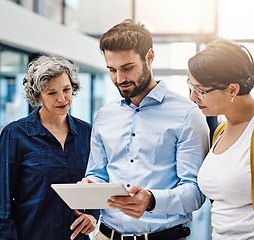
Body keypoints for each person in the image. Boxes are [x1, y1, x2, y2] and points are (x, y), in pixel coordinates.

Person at [81, 19, 209, 240]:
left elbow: (195, 192)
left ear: (149, 57)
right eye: (112, 70)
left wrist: (151, 200)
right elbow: (97, 174)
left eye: (127, 68)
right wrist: (90, 186)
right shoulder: (104, 115)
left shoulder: (188, 114)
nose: (119, 79)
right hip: (105, 235)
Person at [0, 56, 99, 240]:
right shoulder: (15, 134)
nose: (62, 99)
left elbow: (95, 181)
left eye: (66, 89)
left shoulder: (87, 132)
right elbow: (3, 203)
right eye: (52, 93)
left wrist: (92, 215)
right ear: (38, 95)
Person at [188, 39, 254, 239]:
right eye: (191, 86)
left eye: (201, 90)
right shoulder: (221, 131)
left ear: (233, 89)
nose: (192, 97)